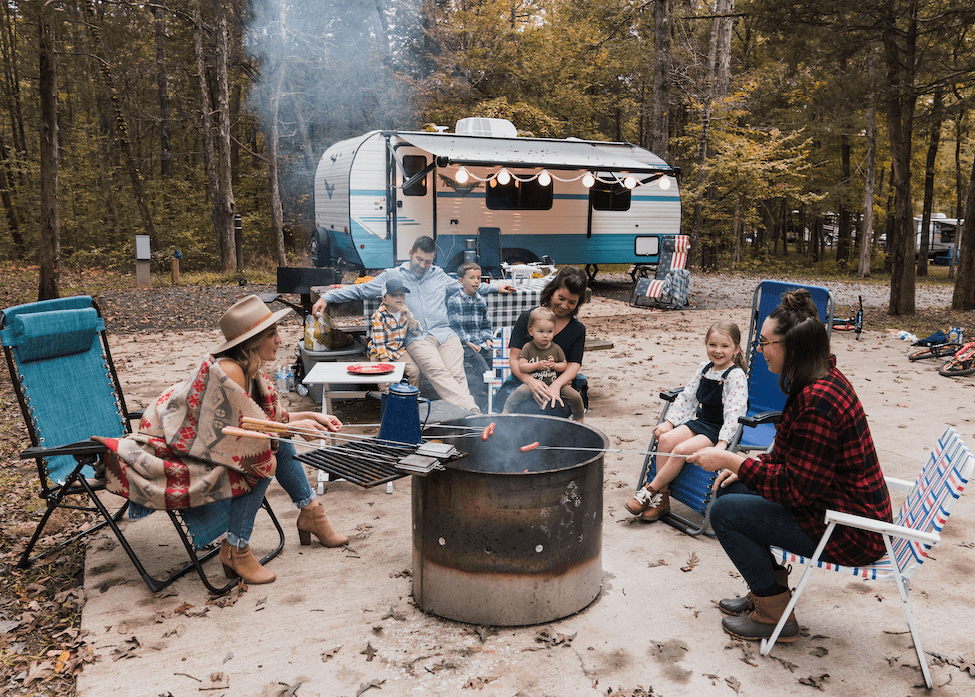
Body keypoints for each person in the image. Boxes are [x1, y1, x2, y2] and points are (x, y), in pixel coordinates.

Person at [686, 288, 892, 643]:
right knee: (733, 486)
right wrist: (749, 466)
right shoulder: (815, 379)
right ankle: (769, 588)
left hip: (850, 529)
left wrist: (730, 458)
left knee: (726, 513)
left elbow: (798, 489)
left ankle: (774, 617)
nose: (757, 349)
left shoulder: (819, 401)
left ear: (791, 346)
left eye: (764, 342)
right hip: (830, 506)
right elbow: (792, 453)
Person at [99, 295, 349, 586]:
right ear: (252, 341)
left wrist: (308, 416)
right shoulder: (230, 370)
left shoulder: (249, 367)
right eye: (272, 334)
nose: (280, 339)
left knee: (273, 444)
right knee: (260, 460)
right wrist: (289, 428)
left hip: (211, 443)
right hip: (173, 446)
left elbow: (258, 423)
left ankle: (312, 515)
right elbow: (243, 438)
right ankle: (236, 548)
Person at [312, 236, 513, 414]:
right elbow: (360, 290)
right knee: (437, 370)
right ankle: (471, 410)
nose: (424, 265)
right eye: (420, 259)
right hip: (418, 337)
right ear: (410, 253)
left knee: (456, 371)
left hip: (445, 333)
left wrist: (496, 286)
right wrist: (327, 297)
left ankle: (465, 414)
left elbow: (467, 286)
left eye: (428, 261)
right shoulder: (392, 275)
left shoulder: (438, 275)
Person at [625, 321, 747, 521]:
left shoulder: (736, 376)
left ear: (736, 349)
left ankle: (649, 492)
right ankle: (662, 500)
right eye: (712, 345)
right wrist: (670, 422)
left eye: (725, 346)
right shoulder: (705, 368)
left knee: (680, 451)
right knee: (665, 439)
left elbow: (735, 412)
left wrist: (723, 443)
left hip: (718, 430)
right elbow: (688, 396)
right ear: (706, 344)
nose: (718, 351)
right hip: (702, 421)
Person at [494, 266, 588, 418]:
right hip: (522, 381)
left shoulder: (577, 329)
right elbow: (514, 359)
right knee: (525, 408)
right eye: (561, 298)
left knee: (555, 408)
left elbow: (573, 364)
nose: (564, 306)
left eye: (572, 302)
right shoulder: (528, 318)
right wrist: (530, 381)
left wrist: (557, 385)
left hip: (558, 383)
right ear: (552, 291)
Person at [502, 307, 585, 421]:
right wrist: (536, 365)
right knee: (518, 393)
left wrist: (555, 366)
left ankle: (579, 420)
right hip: (533, 383)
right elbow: (522, 366)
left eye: (549, 331)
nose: (545, 335)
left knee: (576, 396)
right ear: (531, 331)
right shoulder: (528, 347)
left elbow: (564, 365)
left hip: (553, 382)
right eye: (541, 331)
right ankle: (505, 413)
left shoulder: (556, 348)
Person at [447, 262, 493, 411]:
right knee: (481, 365)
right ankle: (486, 396)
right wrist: (467, 342)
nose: (476, 281)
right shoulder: (454, 300)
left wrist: (488, 339)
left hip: (480, 342)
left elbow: (486, 323)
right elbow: (455, 326)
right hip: (464, 345)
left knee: (492, 358)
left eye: (479, 278)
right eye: (472, 278)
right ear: (461, 281)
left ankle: (495, 394)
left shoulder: (481, 300)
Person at [368, 279, 421, 388]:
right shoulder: (379, 315)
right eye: (393, 295)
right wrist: (384, 359)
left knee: (414, 371)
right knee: (385, 378)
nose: (398, 298)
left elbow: (417, 331)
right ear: (385, 300)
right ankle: (388, 401)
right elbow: (378, 341)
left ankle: (410, 396)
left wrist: (409, 317)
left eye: (401, 295)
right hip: (380, 351)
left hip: (398, 350)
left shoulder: (405, 311)